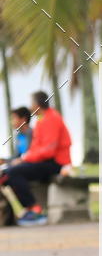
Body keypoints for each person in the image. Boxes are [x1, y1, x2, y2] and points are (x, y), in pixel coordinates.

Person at [0, 91, 72, 226]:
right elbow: (35, 148)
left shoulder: (52, 118)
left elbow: (48, 151)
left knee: (14, 172)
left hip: (56, 163)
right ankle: (17, 214)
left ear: (37, 104)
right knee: (7, 174)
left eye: (32, 103)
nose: (30, 106)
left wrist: (25, 158)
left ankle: (35, 210)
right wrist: (24, 159)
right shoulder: (41, 120)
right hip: (45, 161)